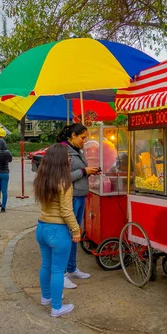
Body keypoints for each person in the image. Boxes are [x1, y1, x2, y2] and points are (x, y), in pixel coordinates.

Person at [33, 144, 81, 318]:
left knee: (46, 265)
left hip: (41, 227)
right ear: (61, 160)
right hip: (58, 231)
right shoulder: (65, 182)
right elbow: (66, 211)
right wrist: (76, 230)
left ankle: (46, 297)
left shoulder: (42, 179)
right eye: (67, 156)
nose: (70, 159)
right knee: (58, 270)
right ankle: (57, 307)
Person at [55, 123, 100, 289]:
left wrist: (90, 171)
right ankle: (63, 273)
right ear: (73, 136)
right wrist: (84, 172)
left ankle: (72, 267)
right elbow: (62, 176)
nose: (84, 141)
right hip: (71, 197)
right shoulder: (63, 151)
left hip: (80, 196)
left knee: (76, 234)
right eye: (82, 137)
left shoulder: (77, 151)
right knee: (68, 234)